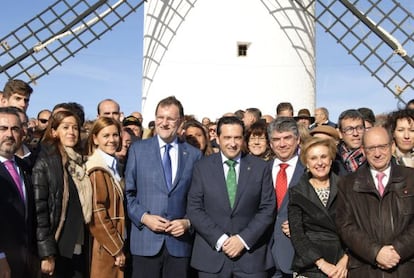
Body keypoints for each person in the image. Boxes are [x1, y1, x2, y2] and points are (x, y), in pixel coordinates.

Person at [187, 116, 276, 277]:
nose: (232, 143)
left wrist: (242, 240)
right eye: (227, 138)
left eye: (237, 138)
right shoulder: (202, 167)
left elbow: (267, 208)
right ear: (218, 138)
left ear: (243, 139)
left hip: (251, 258)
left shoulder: (260, 168)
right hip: (212, 257)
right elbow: (194, 209)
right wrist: (220, 239)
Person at [125, 96, 202, 278]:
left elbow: (198, 199)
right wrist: (144, 217)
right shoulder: (138, 150)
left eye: (170, 119)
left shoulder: (194, 155)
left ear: (181, 122)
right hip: (145, 241)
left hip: (179, 245)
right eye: (160, 117)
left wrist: (188, 222)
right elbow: (128, 194)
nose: (164, 123)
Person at [336, 126, 414, 277]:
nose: (377, 154)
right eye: (371, 148)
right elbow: (345, 226)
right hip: (365, 269)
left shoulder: (411, 179)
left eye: (382, 147)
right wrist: (375, 252)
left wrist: (398, 250)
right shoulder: (347, 184)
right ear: (364, 151)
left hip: (406, 268)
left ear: (392, 146)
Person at [33, 110, 92, 277]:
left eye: (75, 128)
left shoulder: (81, 162)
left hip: (78, 244)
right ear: (54, 131)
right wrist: (46, 253)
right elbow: (40, 212)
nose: (71, 132)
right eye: (65, 127)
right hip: (58, 247)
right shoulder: (45, 163)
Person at [288, 137, 348, 278]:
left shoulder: (346, 187)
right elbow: (297, 234)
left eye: (323, 157)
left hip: (342, 265)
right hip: (310, 266)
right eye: (313, 158)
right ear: (306, 163)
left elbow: (356, 227)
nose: (320, 163)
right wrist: (321, 263)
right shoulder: (297, 192)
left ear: (331, 160)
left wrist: (345, 260)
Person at [0, 107, 38, 278]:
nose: (9, 134)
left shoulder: (25, 168)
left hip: (26, 261)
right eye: (3, 128)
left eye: (14, 129)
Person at [86, 117, 126, 278]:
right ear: (95, 139)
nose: (112, 140)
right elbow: (97, 214)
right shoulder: (96, 169)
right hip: (105, 246)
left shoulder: (116, 165)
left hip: (116, 241)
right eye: (106, 135)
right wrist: (116, 248)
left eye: (115, 135)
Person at [268, 117, 305, 278]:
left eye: (287, 138)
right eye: (276, 139)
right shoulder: (258, 171)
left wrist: (303, 225)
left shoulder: (310, 172)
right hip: (262, 257)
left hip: (296, 256)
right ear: (270, 143)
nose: (282, 144)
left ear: (298, 140)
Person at [335, 109, 366, 175]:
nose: (355, 133)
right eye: (349, 129)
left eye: (359, 128)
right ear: (340, 133)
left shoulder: (375, 155)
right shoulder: (333, 159)